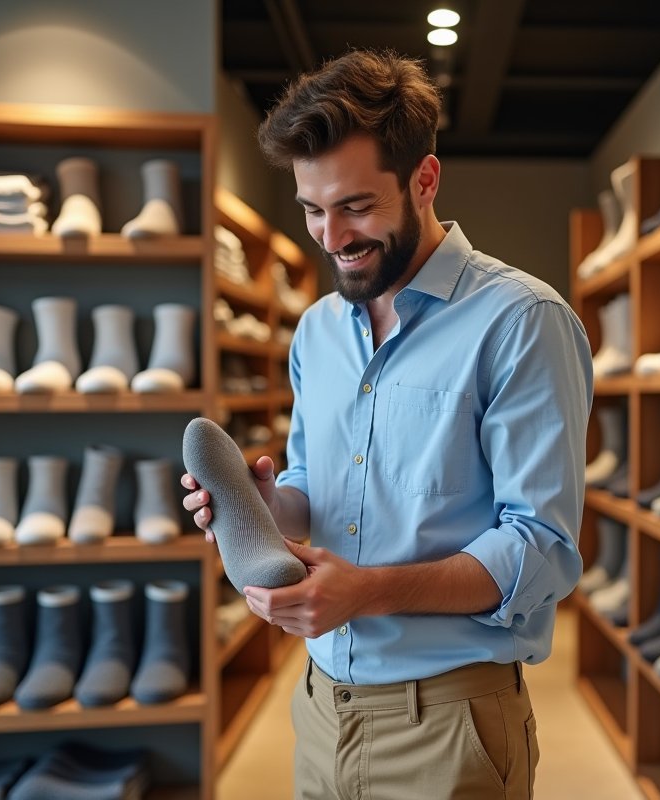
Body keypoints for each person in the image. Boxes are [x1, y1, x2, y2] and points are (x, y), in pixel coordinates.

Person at [182, 50, 591, 799]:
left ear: (424, 180)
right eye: (311, 208)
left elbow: (542, 549)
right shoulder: (315, 332)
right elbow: (316, 488)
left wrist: (366, 592)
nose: (331, 236)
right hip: (318, 712)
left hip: (450, 725)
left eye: (356, 206)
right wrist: (265, 508)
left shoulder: (522, 321)